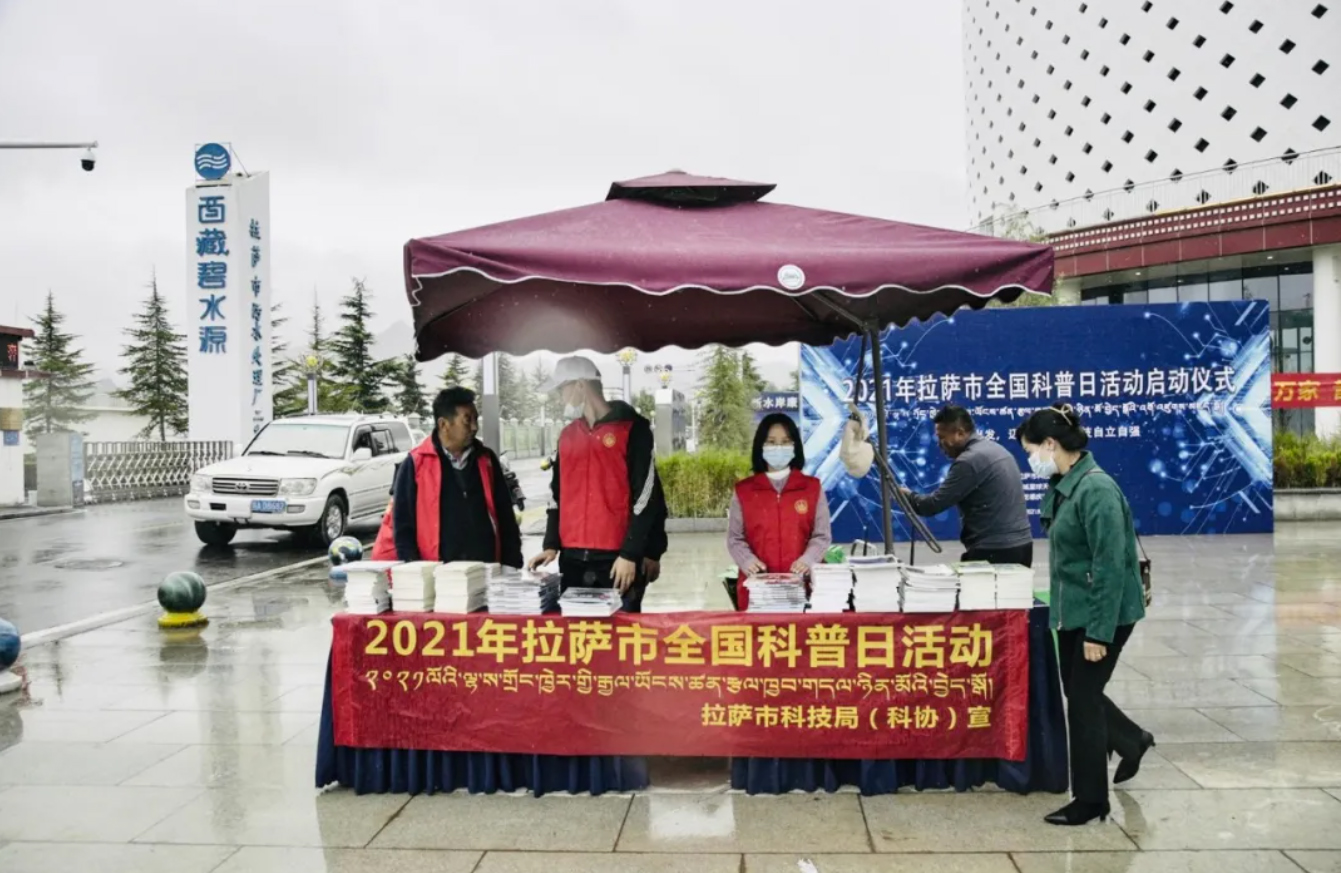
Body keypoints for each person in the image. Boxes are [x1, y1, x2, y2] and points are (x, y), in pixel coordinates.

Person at [1017, 403, 1152, 827]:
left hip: (1104, 613)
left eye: (1030, 451)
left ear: (1050, 444)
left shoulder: (1097, 490)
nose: (1030, 460)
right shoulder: (1064, 484)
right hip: (1073, 609)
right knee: (1079, 693)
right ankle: (1132, 740)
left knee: (1083, 703)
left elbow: (1110, 567)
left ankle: (1091, 800)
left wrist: (1099, 634)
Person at [527, 356, 667, 612]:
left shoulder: (632, 430)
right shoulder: (567, 436)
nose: (560, 399)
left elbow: (647, 497)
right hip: (572, 560)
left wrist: (632, 553)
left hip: (617, 561)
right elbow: (556, 495)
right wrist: (551, 544)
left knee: (621, 634)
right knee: (578, 633)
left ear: (580, 385)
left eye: (562, 390)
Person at [389, 387, 523, 567]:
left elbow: (505, 515)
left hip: (486, 567)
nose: (474, 427)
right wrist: (413, 568)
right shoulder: (415, 464)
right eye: (467, 420)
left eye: (475, 419)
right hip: (440, 572)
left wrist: (513, 562)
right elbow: (403, 526)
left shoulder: (486, 459)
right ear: (443, 424)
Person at [903, 405, 1034, 566]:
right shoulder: (996, 450)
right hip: (1022, 547)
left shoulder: (969, 461)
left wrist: (905, 496)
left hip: (995, 550)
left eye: (942, 437)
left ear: (959, 433)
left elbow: (931, 505)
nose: (939, 444)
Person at [728, 413, 832, 611]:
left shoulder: (812, 488)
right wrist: (747, 561)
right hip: (758, 591)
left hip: (803, 589)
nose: (778, 447)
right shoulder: (744, 491)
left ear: (795, 446)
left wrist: (808, 560)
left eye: (785, 442)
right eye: (771, 442)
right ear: (760, 446)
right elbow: (735, 538)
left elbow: (822, 535)